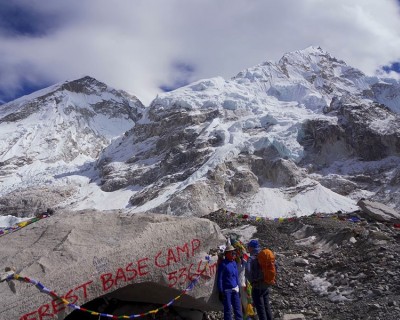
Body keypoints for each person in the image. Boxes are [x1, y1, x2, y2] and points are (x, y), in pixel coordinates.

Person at [245, 239, 273, 320]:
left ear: (251, 248)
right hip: (266, 284)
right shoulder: (265, 255)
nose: (248, 248)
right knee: (267, 307)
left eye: (248, 247)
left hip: (257, 287)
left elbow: (248, 272)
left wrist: (252, 282)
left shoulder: (252, 258)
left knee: (260, 309)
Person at [217, 245, 243, 320]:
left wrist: (238, 288)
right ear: (227, 254)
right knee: (228, 310)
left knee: (238, 309)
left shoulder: (234, 263)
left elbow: (236, 276)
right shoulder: (223, 264)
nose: (234, 254)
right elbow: (220, 279)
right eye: (232, 253)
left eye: (234, 253)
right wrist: (221, 291)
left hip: (235, 289)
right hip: (227, 291)